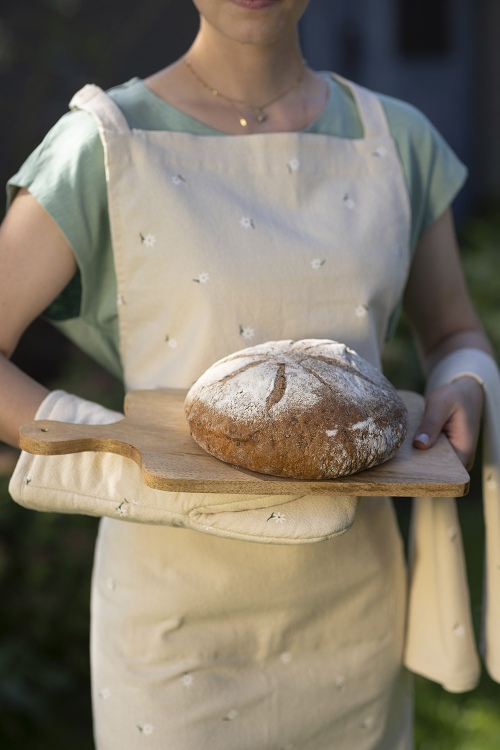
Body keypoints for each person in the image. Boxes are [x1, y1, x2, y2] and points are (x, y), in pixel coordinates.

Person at [0, 0, 496, 747]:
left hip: (354, 617)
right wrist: (115, 451)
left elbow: (455, 331)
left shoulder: (395, 139)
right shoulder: (104, 143)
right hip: (171, 630)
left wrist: (466, 383)